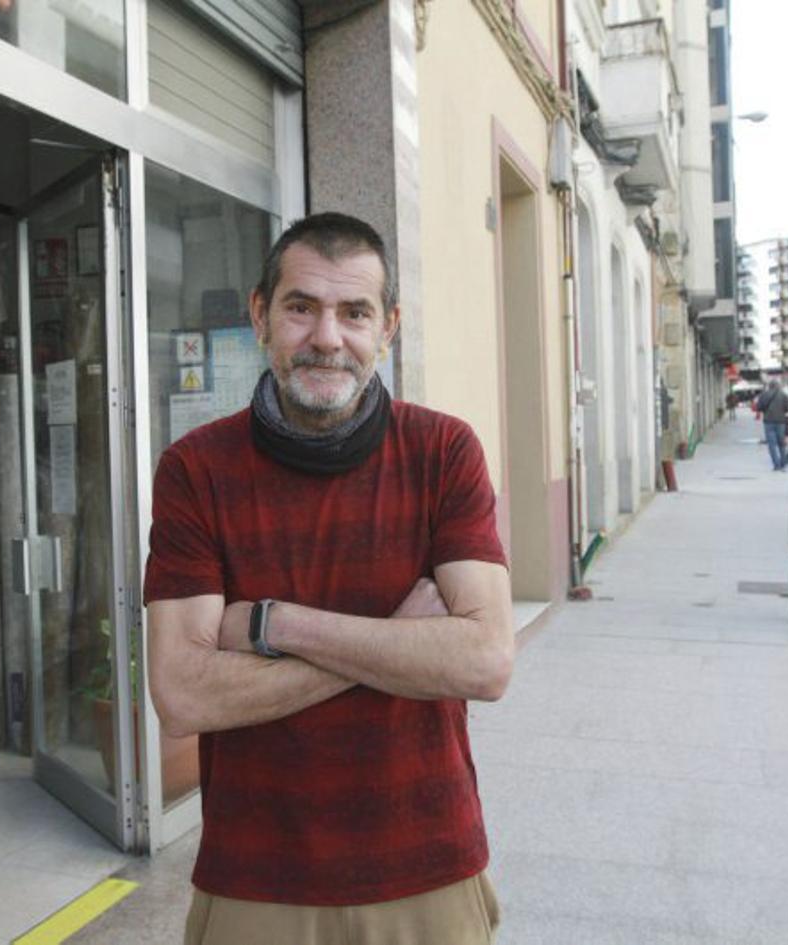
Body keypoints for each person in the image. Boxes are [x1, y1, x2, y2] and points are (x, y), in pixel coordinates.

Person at [144, 212, 514, 945]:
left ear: (388, 328)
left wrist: (274, 624)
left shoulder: (443, 451)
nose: (327, 338)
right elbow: (182, 692)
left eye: (354, 313)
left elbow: (485, 659)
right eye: (301, 307)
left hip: (429, 871)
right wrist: (398, 646)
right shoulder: (196, 470)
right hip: (256, 879)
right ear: (260, 315)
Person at [757, 379, 788, 470]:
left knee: (772, 444)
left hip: (768, 421)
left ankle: (776, 465)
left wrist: (766, 410)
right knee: (781, 443)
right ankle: (783, 463)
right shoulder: (784, 395)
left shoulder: (764, 395)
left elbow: (759, 407)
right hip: (781, 422)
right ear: (778, 386)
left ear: (770, 386)